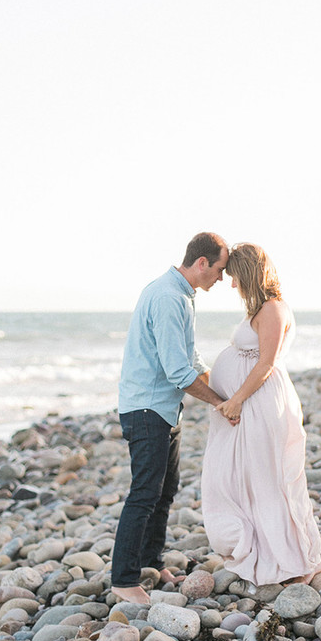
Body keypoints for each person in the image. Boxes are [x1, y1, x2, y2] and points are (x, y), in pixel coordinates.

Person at [201, 243, 321, 589]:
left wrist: (237, 401)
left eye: (234, 277)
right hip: (250, 405)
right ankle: (264, 547)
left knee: (269, 479)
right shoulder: (260, 309)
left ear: (247, 274)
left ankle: (289, 559)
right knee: (245, 479)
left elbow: (266, 362)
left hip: (261, 404)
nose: (232, 285)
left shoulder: (274, 308)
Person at [111, 232, 232, 603]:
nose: (222, 279)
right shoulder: (167, 297)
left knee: (165, 491)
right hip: (146, 409)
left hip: (163, 409)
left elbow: (192, 361)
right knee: (144, 494)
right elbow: (178, 372)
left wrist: (231, 394)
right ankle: (124, 580)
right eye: (220, 270)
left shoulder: (182, 295)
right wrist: (219, 404)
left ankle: (150, 561)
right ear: (201, 263)